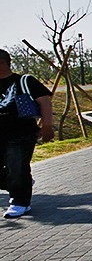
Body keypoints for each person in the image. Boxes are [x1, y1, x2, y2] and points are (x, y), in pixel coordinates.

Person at [0, 49, 55, 219]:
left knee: (17, 166)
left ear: (3, 62)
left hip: (21, 133)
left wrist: (47, 126)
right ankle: (21, 182)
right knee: (16, 172)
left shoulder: (24, 81)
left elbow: (44, 102)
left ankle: (19, 202)